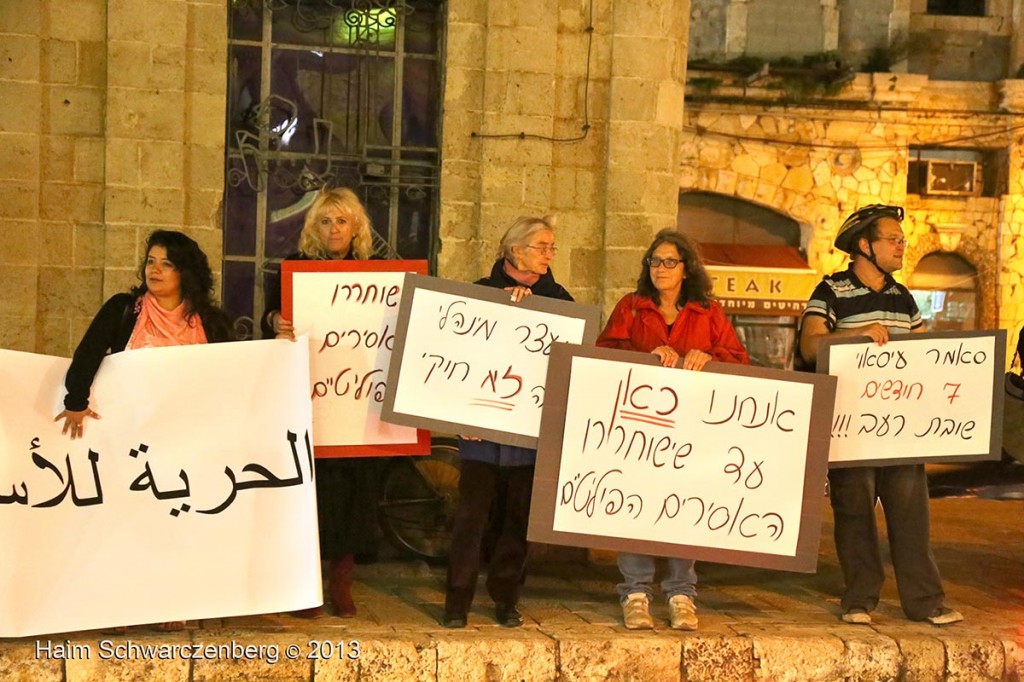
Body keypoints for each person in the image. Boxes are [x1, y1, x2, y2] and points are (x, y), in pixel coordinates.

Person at [56, 229, 235, 631]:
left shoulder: (208, 320)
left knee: (175, 522)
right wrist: (75, 400)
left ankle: (169, 604)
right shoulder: (125, 309)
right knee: (123, 521)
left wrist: (281, 343)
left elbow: (236, 370)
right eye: (151, 261)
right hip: (129, 439)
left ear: (185, 272)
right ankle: (119, 604)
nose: (155, 269)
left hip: (185, 443)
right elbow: (88, 352)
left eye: (166, 263)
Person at [798, 204, 963, 627]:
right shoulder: (830, 290)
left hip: (900, 429)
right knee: (854, 513)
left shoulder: (903, 297)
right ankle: (859, 599)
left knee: (912, 516)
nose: (901, 246)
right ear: (864, 246)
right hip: (851, 427)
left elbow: (924, 354)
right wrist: (858, 336)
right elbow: (810, 346)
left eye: (901, 240)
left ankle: (925, 602)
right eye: (893, 239)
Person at [596, 228, 749, 630]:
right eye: (654, 261)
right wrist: (645, 354)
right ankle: (635, 591)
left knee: (685, 506)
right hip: (639, 429)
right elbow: (603, 354)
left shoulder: (708, 312)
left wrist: (709, 355)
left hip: (691, 429)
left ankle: (681, 592)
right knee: (635, 505)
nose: (660, 268)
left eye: (669, 261)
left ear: (686, 269)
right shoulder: (631, 307)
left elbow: (739, 360)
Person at [442, 216, 573, 629]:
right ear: (515, 251)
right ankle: (457, 601)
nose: (550, 254)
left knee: (517, 522)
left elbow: (569, 361)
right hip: (480, 434)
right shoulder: (480, 294)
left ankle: (505, 598)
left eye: (552, 247)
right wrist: (461, 413)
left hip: (528, 437)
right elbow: (455, 359)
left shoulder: (562, 302)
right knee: (471, 519)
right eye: (542, 246)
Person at [263, 186, 380, 619]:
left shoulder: (375, 276)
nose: (334, 229)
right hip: (307, 397)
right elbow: (271, 318)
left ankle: (342, 583)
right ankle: (305, 585)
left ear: (356, 228)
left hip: (354, 398)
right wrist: (274, 320)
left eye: (342, 221)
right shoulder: (295, 269)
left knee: (352, 497)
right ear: (315, 227)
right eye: (326, 221)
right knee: (306, 495)